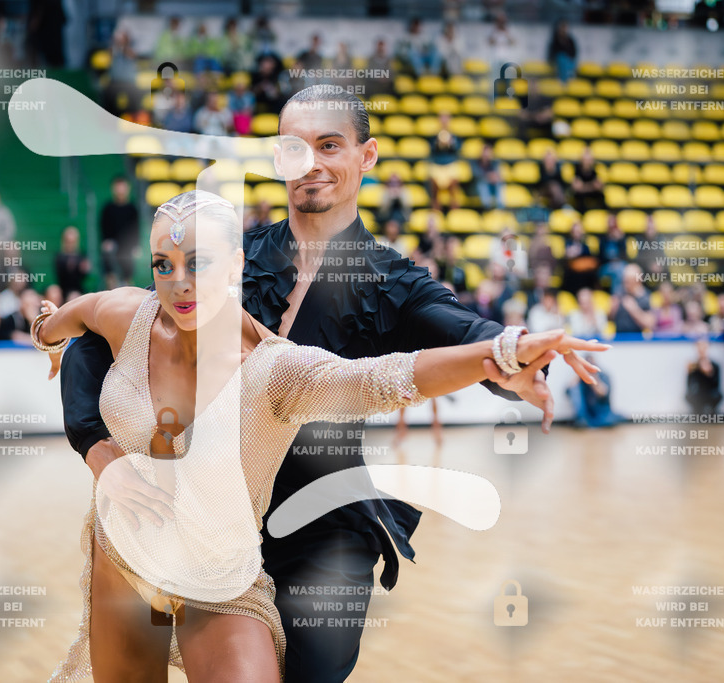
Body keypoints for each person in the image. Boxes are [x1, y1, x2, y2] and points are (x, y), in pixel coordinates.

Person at [57, 86, 607, 682]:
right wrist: (98, 447)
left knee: (312, 671)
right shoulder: (224, 254)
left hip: (321, 519)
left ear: (367, 156)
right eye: (295, 148)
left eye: (329, 146)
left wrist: (515, 358)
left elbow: (464, 334)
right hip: (209, 509)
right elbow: (108, 337)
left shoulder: (393, 280)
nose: (311, 164)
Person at [99, 177, 140, 289]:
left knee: (128, 263)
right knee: (108, 257)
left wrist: (136, 246)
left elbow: (136, 229)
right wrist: (106, 242)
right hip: (112, 245)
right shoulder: (107, 208)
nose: (120, 190)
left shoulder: (133, 209)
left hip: (127, 246)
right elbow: (103, 228)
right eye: (118, 187)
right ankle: (111, 287)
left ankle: (127, 288)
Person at [610, 263, 654, 335]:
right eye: (625, 280)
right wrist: (612, 309)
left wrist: (634, 309)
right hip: (618, 338)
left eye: (629, 280)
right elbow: (609, 319)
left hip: (636, 340)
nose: (626, 283)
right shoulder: (619, 293)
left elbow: (650, 324)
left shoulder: (646, 297)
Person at [686, 338, 722, 415]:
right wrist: (689, 373)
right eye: (699, 347)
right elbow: (689, 385)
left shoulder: (714, 365)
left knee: (717, 395)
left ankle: (711, 411)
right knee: (689, 396)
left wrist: (709, 374)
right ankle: (697, 411)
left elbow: (717, 385)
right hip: (698, 394)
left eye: (703, 347)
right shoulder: (693, 366)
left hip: (710, 394)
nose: (701, 350)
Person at [571, 146, 605, 211]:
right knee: (579, 196)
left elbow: (599, 186)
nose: (587, 162)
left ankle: (604, 213)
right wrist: (591, 186)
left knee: (601, 195)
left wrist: (584, 187)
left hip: (591, 194)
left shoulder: (595, 170)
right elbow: (576, 187)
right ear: (582, 160)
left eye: (589, 159)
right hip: (580, 196)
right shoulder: (576, 170)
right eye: (585, 159)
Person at [473, 143, 505, 210]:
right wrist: (488, 177)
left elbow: (499, 176)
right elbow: (476, 176)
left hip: (492, 186)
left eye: (488, 153)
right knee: (482, 184)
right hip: (476, 188)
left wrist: (494, 177)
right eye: (485, 153)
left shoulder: (495, 163)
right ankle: (487, 207)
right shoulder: (475, 163)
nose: (486, 155)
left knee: (499, 184)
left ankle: (500, 206)